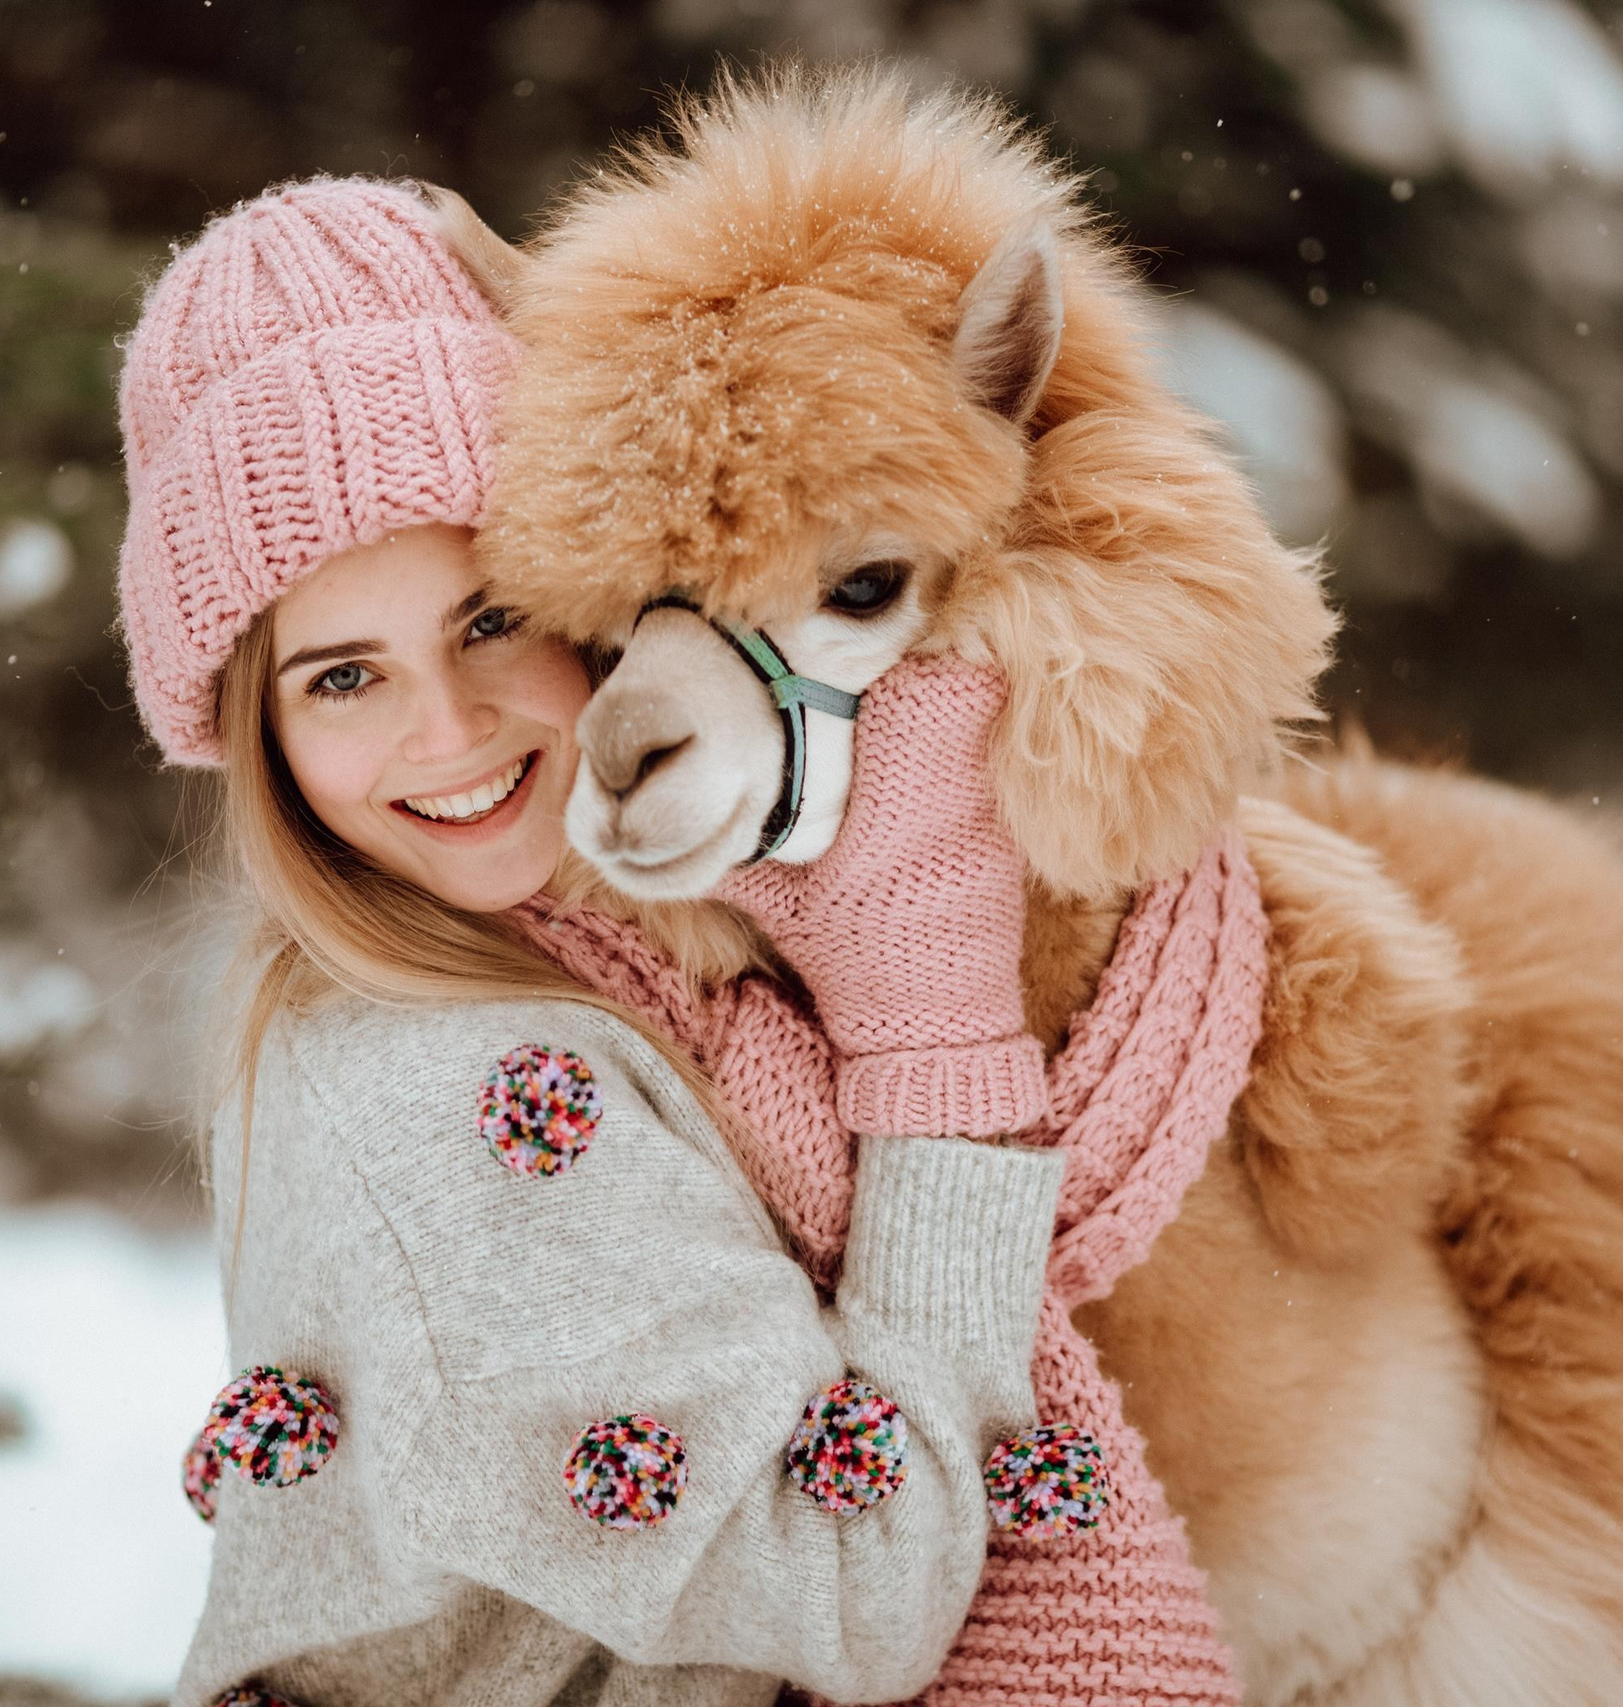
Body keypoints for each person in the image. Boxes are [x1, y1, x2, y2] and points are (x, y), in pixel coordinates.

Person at [116, 177, 1065, 1707]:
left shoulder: (599, 954)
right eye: (341, 679)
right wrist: (936, 1027)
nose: (452, 731)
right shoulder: (462, 1105)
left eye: (492, 619)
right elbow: (862, 1586)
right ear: (261, 739)